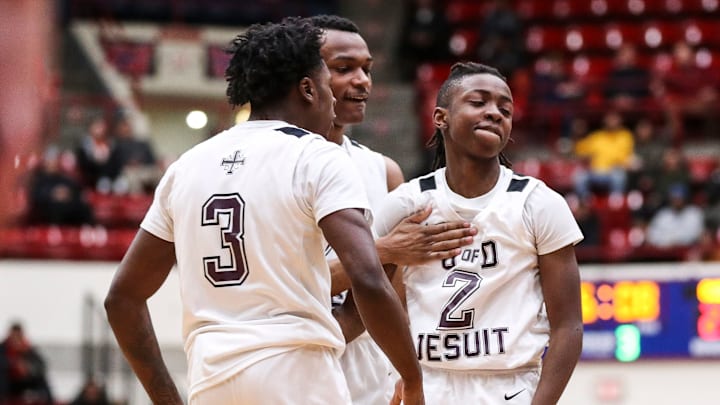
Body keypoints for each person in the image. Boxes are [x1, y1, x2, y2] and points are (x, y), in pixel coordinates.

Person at [104, 18, 424, 405]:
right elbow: (369, 280)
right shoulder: (316, 155)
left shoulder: (186, 166)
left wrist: (167, 399)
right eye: (329, 83)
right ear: (308, 89)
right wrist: (411, 376)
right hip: (297, 375)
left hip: (211, 379)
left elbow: (121, 299)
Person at [372, 62, 584, 404]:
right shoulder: (407, 203)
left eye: (505, 108)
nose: (494, 113)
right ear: (441, 117)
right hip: (426, 383)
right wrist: (401, 371)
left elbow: (568, 326)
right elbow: (370, 293)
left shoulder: (538, 203)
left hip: (510, 384)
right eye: (478, 102)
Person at [308, 15, 476, 405]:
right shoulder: (277, 164)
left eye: (367, 70)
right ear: (306, 80)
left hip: (367, 363)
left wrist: (405, 364)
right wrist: (383, 250)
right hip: (295, 353)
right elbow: (285, 285)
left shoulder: (383, 171)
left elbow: (393, 290)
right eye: (344, 69)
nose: (363, 81)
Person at [572, 109, 634, 200]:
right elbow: (580, 151)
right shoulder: (597, 136)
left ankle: (615, 202)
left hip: (613, 172)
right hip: (595, 172)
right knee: (579, 175)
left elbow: (627, 157)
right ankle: (585, 201)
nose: (612, 122)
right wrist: (578, 134)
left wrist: (622, 163)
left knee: (619, 175)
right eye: (610, 119)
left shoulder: (625, 136)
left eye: (614, 119)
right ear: (605, 121)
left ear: (620, 120)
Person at [1, 322, 54, 404]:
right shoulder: (3, 348)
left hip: (23, 382)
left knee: (42, 379)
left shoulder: (28, 349)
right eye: (14, 336)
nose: (16, 339)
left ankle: (48, 401)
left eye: (18, 336)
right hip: (8, 383)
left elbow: (42, 365)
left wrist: (28, 368)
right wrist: (14, 364)